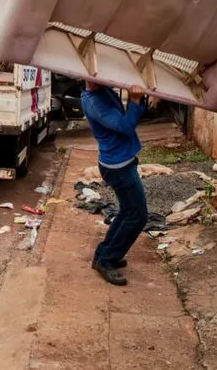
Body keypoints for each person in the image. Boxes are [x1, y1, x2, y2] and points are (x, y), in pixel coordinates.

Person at [80, 82, 151, 286]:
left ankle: (104, 255)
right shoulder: (95, 102)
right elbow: (125, 126)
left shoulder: (101, 90)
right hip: (118, 167)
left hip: (120, 162)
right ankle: (106, 260)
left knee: (127, 211)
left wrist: (137, 98)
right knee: (138, 216)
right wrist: (135, 99)